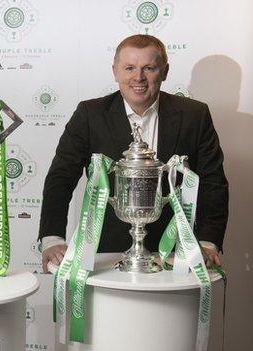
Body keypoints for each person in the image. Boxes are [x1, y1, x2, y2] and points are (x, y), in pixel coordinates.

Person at [38, 34, 228, 272]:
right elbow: (61, 178)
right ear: (115, 71)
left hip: (176, 256)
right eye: (130, 68)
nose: (138, 77)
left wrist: (207, 242)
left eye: (149, 68)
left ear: (165, 71)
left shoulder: (195, 115)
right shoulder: (89, 115)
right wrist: (52, 239)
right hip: (107, 256)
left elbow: (213, 181)